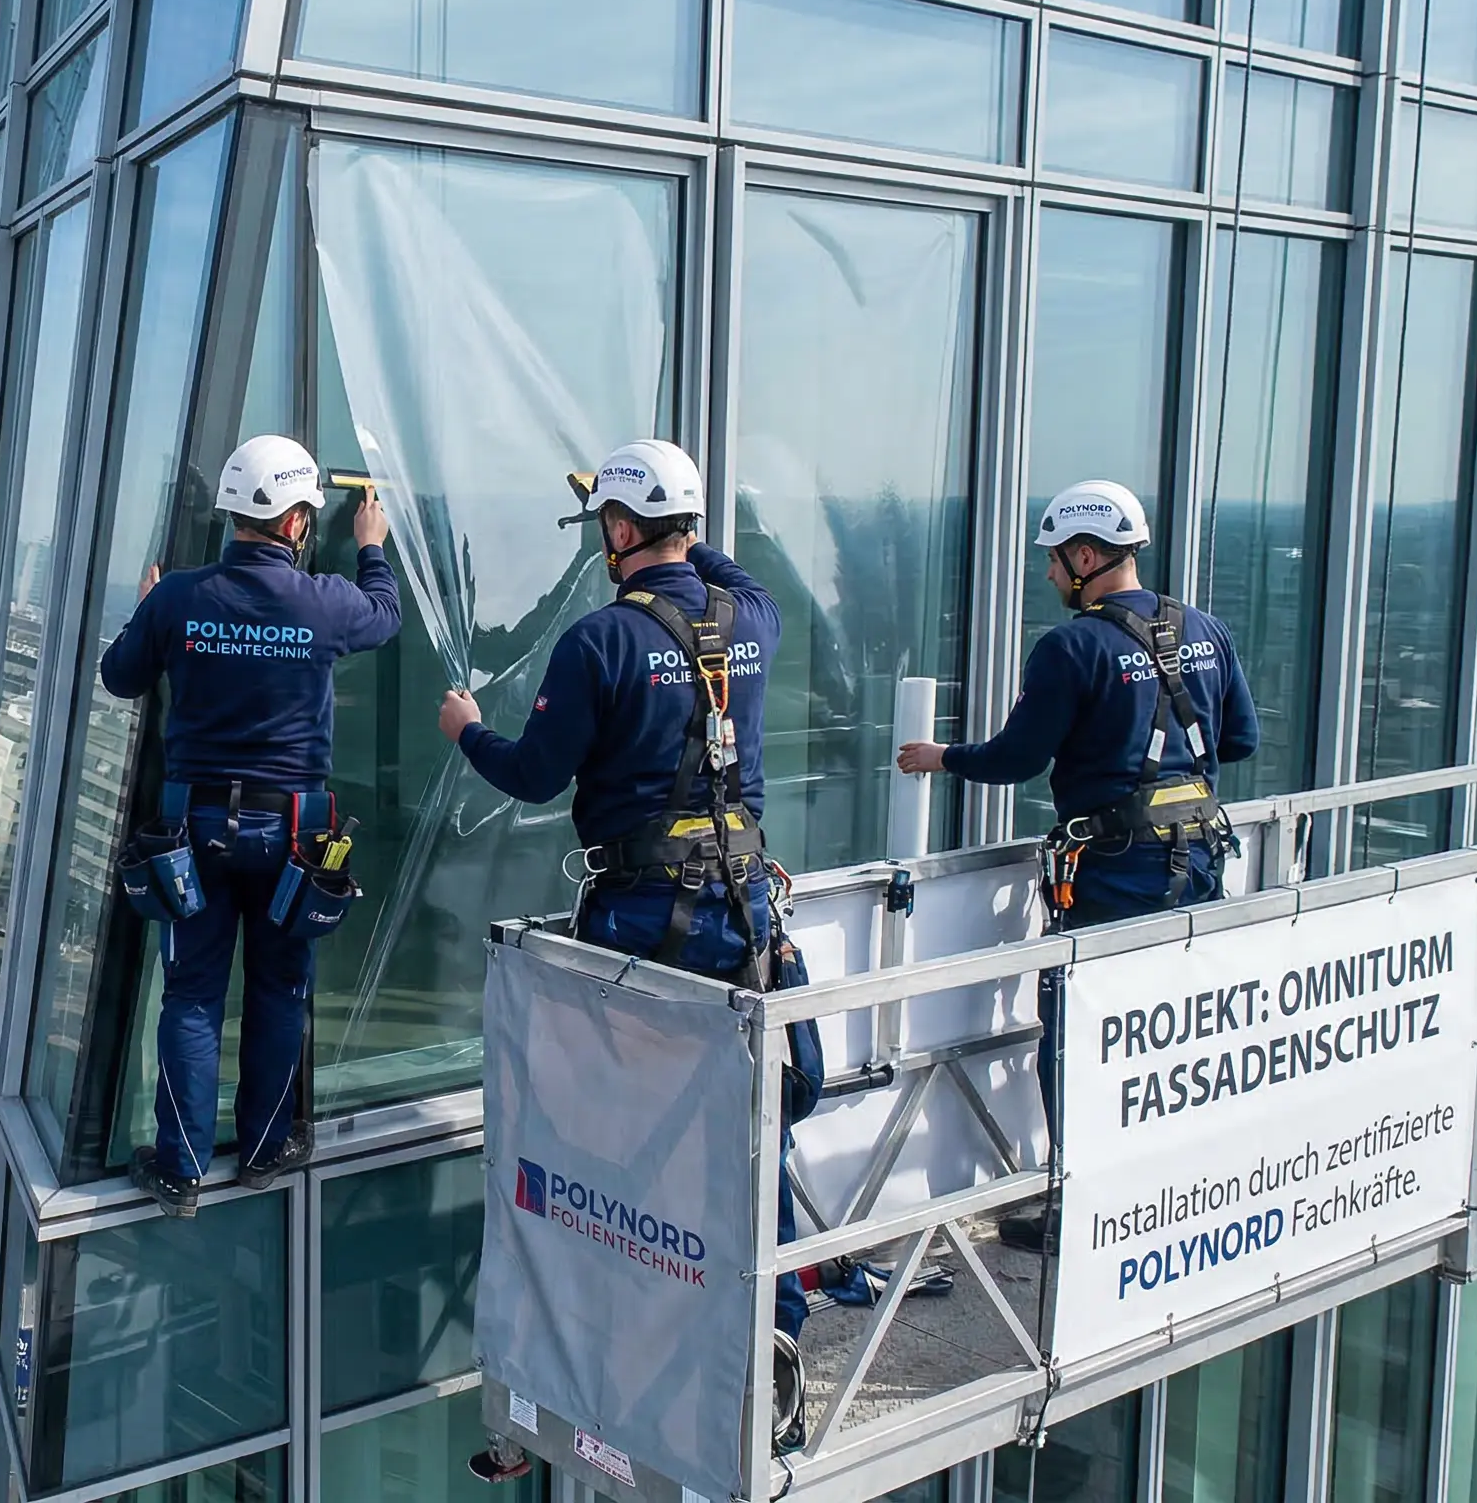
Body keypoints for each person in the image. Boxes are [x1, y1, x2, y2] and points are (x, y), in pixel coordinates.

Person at [437, 439, 815, 1472]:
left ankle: (601, 1366)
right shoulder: (754, 624)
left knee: (610, 1145)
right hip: (741, 914)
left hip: (642, 918)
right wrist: (663, 521)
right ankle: (774, 1327)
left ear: (614, 531)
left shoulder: (599, 642)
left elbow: (529, 773)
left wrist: (466, 729)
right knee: (749, 1132)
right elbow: (726, 580)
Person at [897, 479, 1257, 1253]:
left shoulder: (1073, 646)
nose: (1051, 576)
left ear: (1087, 556)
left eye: (1056, 562)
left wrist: (940, 756)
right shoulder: (1204, 629)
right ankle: (1170, 1185)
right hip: (1195, 860)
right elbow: (1239, 742)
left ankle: (1088, 1207)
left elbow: (1018, 757)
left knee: (1083, 1035)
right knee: (1168, 1029)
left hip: (1117, 872)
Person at [98, 434, 399, 1218]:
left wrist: (147, 612)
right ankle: (265, 1151)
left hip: (194, 828)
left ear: (234, 515)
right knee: (278, 988)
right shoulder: (324, 600)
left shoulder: (180, 599)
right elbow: (385, 615)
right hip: (293, 832)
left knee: (192, 995)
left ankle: (183, 1167)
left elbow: (119, 676)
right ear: (298, 523)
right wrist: (371, 547)